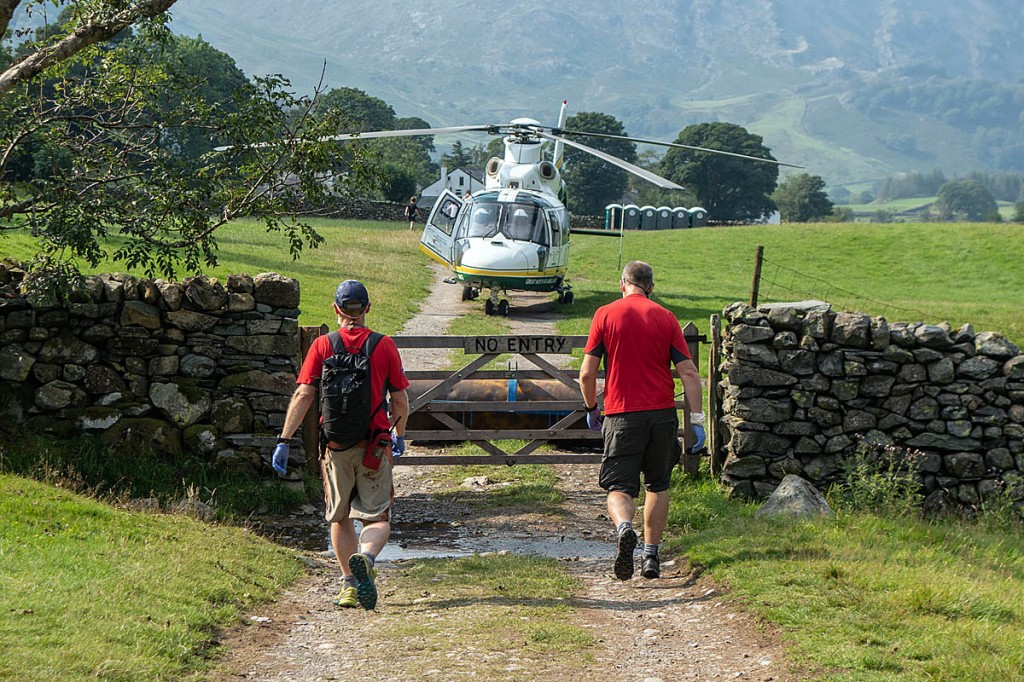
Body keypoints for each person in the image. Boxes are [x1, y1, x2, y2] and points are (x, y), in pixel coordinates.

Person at [272, 279, 410, 609]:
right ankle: (367, 557)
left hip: (334, 446)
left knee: (340, 517)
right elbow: (401, 398)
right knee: (377, 519)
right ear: (367, 309)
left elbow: (305, 394)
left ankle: (349, 584)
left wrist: (284, 439)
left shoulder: (322, 345)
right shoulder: (384, 345)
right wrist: (400, 433)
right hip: (375, 445)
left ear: (335, 309)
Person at [577, 261, 704, 581]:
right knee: (658, 486)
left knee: (619, 487)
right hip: (661, 416)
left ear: (623, 284)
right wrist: (698, 420)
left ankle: (623, 529)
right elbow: (689, 373)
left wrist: (592, 407)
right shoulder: (666, 317)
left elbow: (586, 373)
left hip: (621, 415)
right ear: (651, 287)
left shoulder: (604, 315)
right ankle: (651, 557)